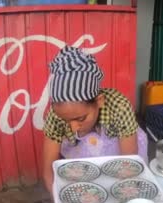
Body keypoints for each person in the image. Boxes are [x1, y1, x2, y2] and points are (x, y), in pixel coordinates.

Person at [42, 46, 148, 193]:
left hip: (120, 156)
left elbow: (128, 166)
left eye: (80, 118)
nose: (73, 129)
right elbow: (49, 174)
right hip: (82, 156)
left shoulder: (119, 106)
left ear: (99, 101)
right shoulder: (56, 114)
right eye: (66, 121)